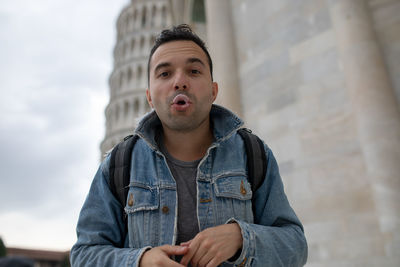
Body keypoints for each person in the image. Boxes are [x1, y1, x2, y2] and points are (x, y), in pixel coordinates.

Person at [70, 24, 307, 267]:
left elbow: (295, 247)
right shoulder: (120, 164)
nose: (180, 82)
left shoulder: (253, 154)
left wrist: (241, 238)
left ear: (213, 91)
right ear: (150, 96)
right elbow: (84, 255)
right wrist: (140, 262)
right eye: (165, 74)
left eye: (194, 71)